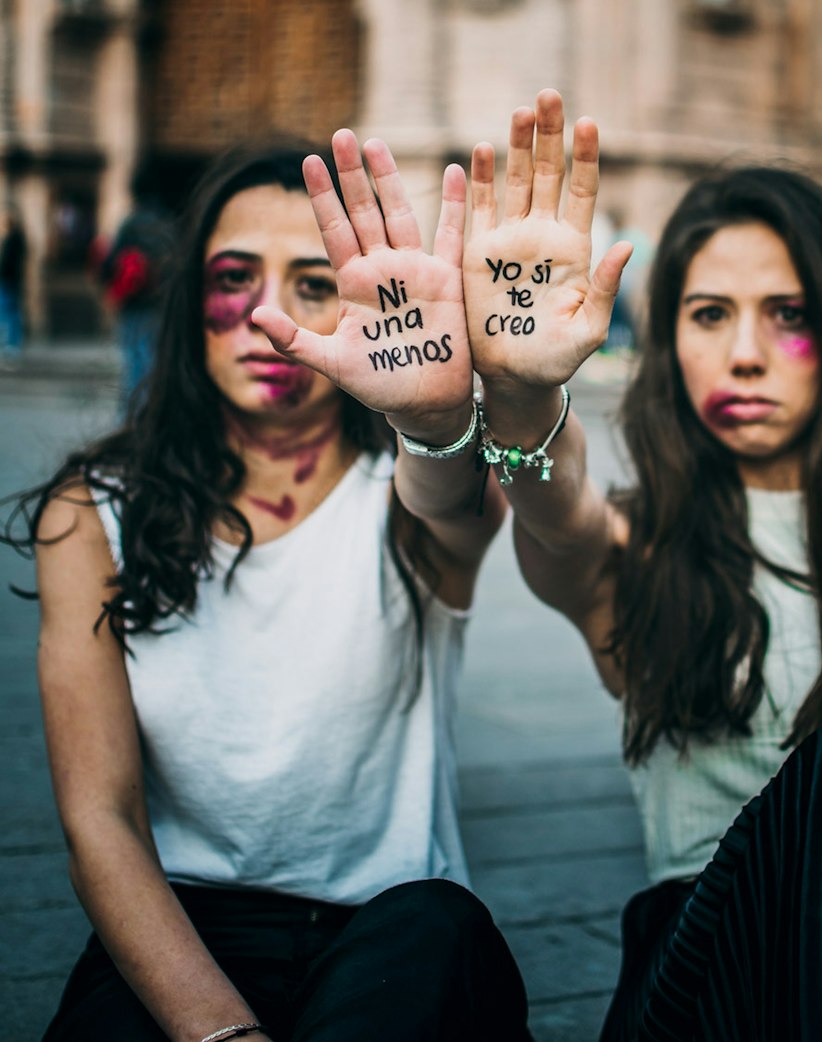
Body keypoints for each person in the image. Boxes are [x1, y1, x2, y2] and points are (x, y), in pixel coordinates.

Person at [459, 90, 822, 1040]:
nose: (744, 354)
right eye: (709, 314)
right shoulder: (630, 548)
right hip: (718, 974)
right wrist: (517, 395)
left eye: (787, 313)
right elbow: (553, 505)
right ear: (668, 338)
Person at [6, 136, 531, 1041]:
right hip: (178, 931)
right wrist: (223, 1033)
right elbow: (101, 818)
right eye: (233, 278)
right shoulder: (93, 511)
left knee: (440, 937)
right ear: (189, 302)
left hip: (394, 931)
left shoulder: (402, 492)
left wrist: (438, 419)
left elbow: (457, 502)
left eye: (316, 283)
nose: (268, 315)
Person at [100, 195, 174, 409]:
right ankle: (147, 405)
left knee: (132, 356)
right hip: (156, 304)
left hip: (132, 303)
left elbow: (110, 262)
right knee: (149, 355)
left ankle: (133, 408)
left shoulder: (129, 226)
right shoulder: (166, 229)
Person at [0, 205, 26, 362]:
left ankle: (11, 343)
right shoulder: (15, 240)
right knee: (12, 312)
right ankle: (13, 343)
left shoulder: (10, 240)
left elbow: (6, 264)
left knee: (8, 313)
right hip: (12, 281)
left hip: (7, 281)